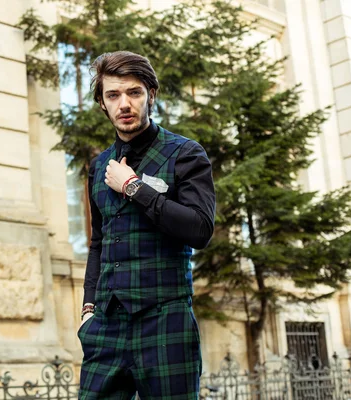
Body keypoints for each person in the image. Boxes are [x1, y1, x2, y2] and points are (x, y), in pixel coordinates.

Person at [77, 51, 216, 399]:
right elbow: (99, 242)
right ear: (102, 104)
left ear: (151, 95)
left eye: (134, 92)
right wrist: (88, 308)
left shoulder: (186, 154)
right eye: (113, 95)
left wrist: (133, 187)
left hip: (165, 318)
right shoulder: (98, 167)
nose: (124, 103)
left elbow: (200, 229)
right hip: (107, 324)